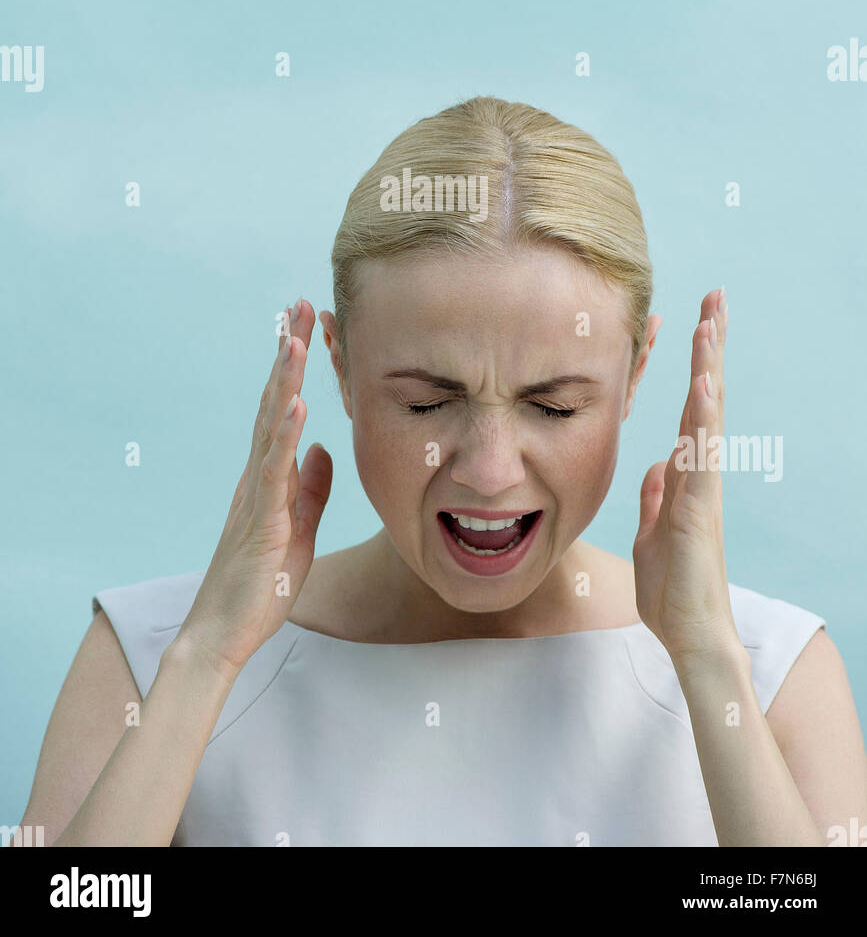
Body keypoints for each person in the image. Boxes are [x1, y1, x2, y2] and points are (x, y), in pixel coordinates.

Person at [17, 96, 867, 846]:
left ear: (637, 373)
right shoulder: (148, 656)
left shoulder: (768, 674)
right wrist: (205, 660)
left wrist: (707, 661)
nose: (489, 473)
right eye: (426, 404)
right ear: (341, 368)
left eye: (555, 406)